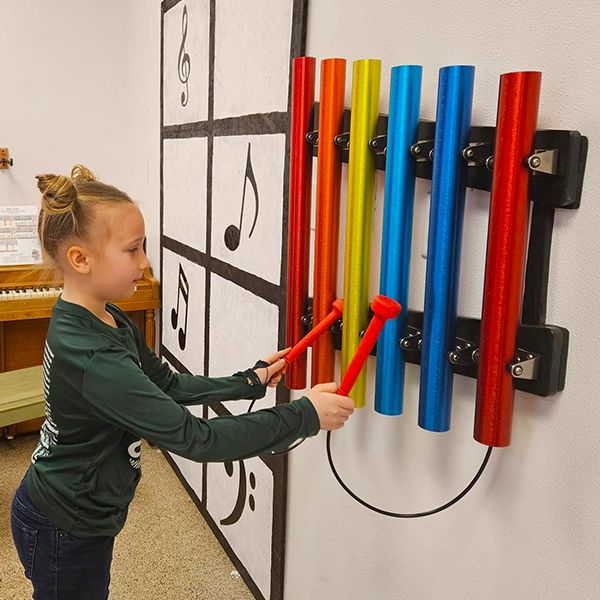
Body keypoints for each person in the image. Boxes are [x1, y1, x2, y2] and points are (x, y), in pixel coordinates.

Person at [10, 165, 355, 599]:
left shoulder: (104, 316)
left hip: (75, 513)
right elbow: (198, 440)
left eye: (143, 248)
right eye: (132, 250)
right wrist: (304, 415)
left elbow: (167, 386)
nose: (145, 262)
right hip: (64, 524)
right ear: (80, 259)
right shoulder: (93, 356)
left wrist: (250, 380)